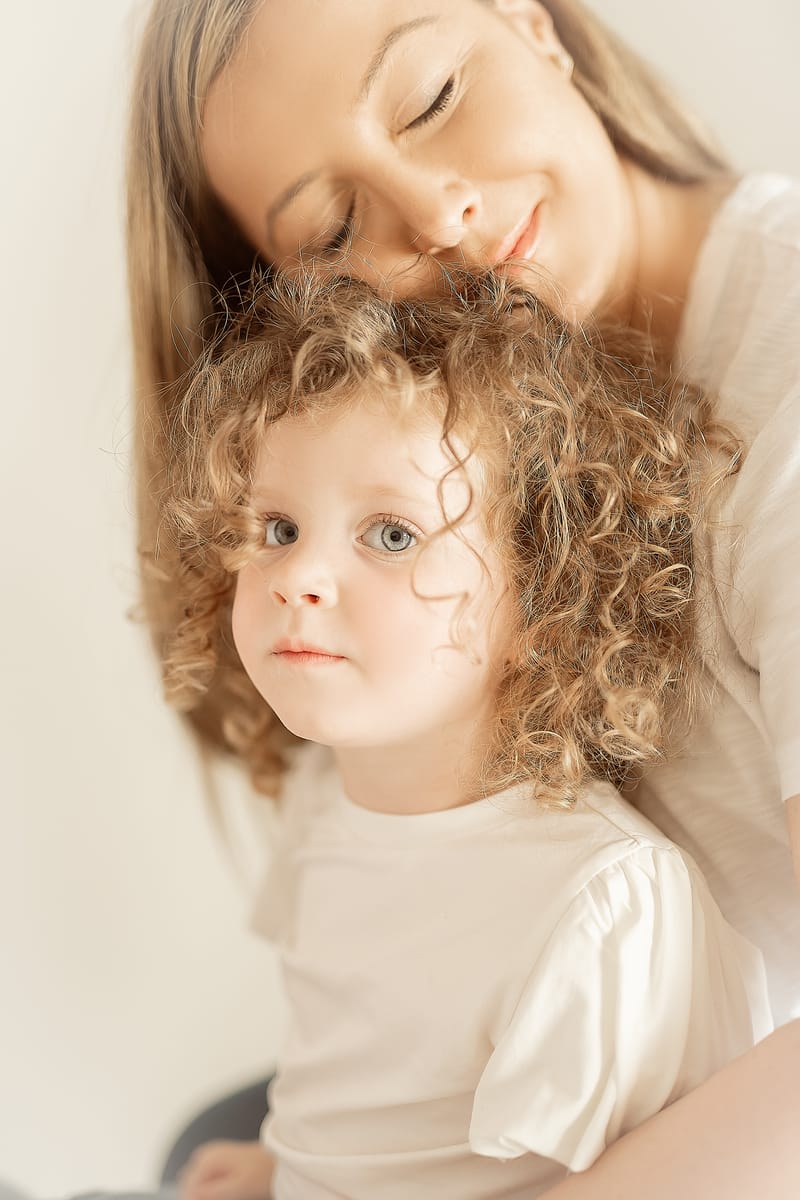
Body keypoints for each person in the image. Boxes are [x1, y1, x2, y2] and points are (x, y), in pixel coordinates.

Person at [125, 0, 800, 1192]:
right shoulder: (397, 443)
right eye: (335, 225)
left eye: (434, 97)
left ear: (533, 25)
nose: (439, 213)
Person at [162, 273, 769, 1200]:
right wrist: (280, 1163)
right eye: (279, 526)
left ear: (542, 605)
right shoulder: (329, 800)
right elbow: (357, 1093)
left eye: (393, 535)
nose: (299, 577)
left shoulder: (598, 906)